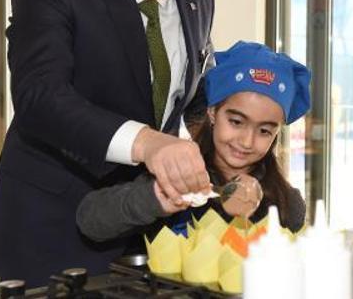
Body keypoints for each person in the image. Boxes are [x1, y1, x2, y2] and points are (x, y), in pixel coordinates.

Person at [0, 0, 222, 286]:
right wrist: (147, 143)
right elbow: (40, 96)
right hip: (54, 230)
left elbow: (188, 100)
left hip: (147, 229)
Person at [76, 41, 310, 241]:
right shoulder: (177, 172)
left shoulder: (288, 204)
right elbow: (89, 220)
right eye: (236, 122)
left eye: (265, 131)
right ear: (212, 112)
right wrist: (157, 197)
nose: (247, 141)